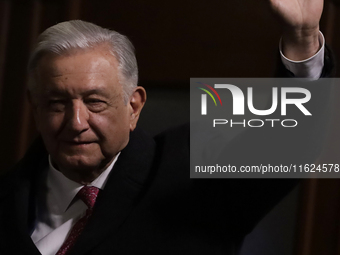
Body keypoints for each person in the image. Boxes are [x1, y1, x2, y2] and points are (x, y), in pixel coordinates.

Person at [0, 0, 334, 254]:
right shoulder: (9, 195)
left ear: (134, 106)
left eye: (95, 102)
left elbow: (284, 148)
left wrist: (302, 39)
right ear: (35, 108)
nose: (76, 123)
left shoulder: (193, 174)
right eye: (57, 104)